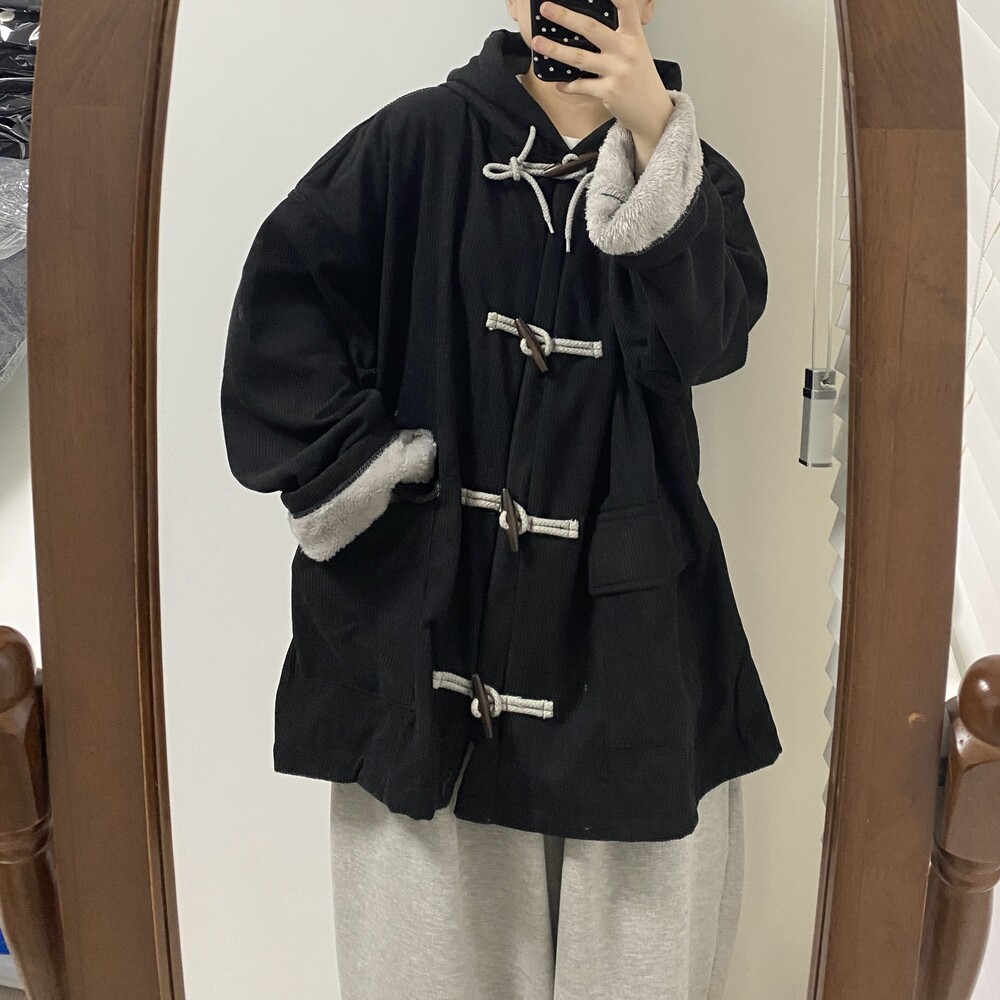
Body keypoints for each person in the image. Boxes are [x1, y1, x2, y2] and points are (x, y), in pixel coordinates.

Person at [220, 0, 783, 997]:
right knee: (426, 957)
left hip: (631, 637)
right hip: (433, 626)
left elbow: (707, 343)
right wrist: (375, 483)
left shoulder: (693, 176)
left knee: (637, 962)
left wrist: (656, 135)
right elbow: (281, 323)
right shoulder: (412, 144)